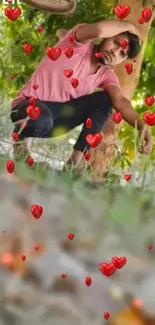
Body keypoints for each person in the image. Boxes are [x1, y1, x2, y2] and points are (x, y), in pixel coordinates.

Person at [10, 19, 153, 169]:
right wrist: (130, 26)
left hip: (55, 120)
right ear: (107, 36)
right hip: (27, 108)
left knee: (105, 100)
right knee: (39, 117)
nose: (114, 52)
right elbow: (98, 30)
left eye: (122, 53)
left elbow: (120, 101)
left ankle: (73, 164)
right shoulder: (77, 43)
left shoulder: (106, 75)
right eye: (116, 43)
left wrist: (143, 128)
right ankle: (21, 142)